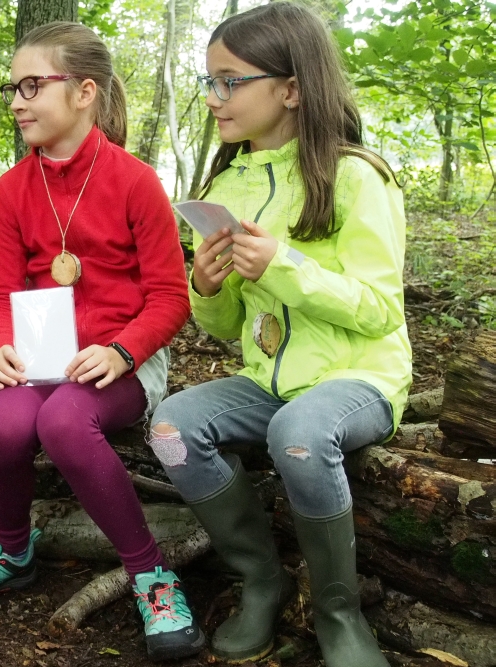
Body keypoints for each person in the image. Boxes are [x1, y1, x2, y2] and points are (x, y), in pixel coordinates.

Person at [0, 21, 198, 662]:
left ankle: (150, 574)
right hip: (42, 354)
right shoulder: (12, 190)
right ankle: (11, 550)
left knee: (66, 424)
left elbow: (169, 297)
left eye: (31, 85)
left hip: (123, 360)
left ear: (84, 92)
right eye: (11, 88)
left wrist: (123, 352)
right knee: (5, 427)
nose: (16, 101)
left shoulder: (135, 182)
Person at [147, 4, 411, 666]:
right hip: (270, 379)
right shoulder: (226, 185)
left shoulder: (356, 176)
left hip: (359, 378)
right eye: (208, 82)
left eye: (229, 81)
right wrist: (207, 287)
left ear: (291, 88)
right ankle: (262, 578)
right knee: (172, 424)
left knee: (296, 432)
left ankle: (338, 611)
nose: (214, 98)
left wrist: (286, 267)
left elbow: (380, 309)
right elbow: (228, 326)